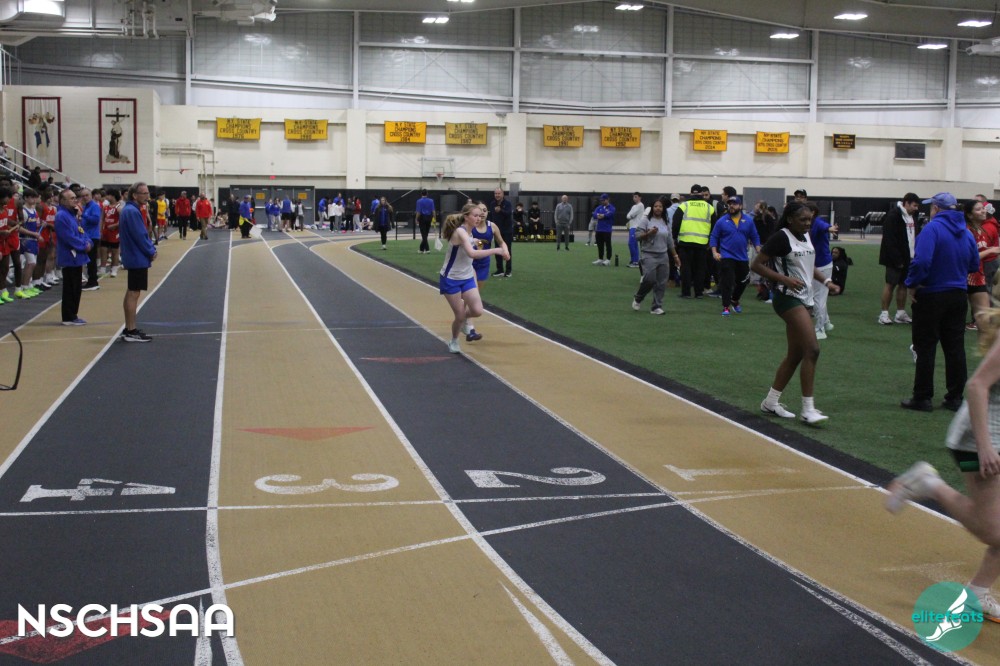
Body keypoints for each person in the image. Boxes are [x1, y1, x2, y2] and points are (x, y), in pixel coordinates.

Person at [885, 308, 1000, 622]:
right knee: (994, 532)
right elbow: (976, 387)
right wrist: (985, 447)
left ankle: (978, 593)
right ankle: (929, 484)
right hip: (977, 440)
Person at [752, 201, 840, 424]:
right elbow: (756, 265)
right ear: (790, 219)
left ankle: (770, 402)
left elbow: (808, 266)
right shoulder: (782, 237)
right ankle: (808, 409)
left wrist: (827, 282)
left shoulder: (805, 235)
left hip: (805, 299)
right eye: (803, 220)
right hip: (787, 298)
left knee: (796, 355)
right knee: (812, 349)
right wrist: (784, 279)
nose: (808, 223)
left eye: (810, 219)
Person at [901, 193, 980, 412]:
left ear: (936, 208)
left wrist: (912, 284)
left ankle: (922, 397)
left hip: (932, 294)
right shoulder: (966, 232)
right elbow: (974, 264)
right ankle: (955, 397)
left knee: (925, 346)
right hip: (958, 294)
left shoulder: (932, 229)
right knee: (955, 348)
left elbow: (922, 261)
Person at [439, 203, 509, 354]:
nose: (479, 218)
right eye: (475, 215)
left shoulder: (470, 233)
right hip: (451, 278)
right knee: (459, 315)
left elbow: (471, 245)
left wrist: (477, 242)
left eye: (480, 215)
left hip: (467, 277)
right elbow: (472, 254)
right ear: (466, 217)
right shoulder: (460, 232)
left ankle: (463, 321)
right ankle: (454, 340)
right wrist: (496, 250)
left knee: (477, 310)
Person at [117, 182, 156, 342]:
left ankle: (129, 327)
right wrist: (151, 250)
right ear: (134, 195)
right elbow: (140, 235)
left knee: (131, 292)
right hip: (136, 257)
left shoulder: (129, 210)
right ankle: (131, 330)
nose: (147, 196)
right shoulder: (132, 211)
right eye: (144, 193)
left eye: (147, 193)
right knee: (134, 293)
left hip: (133, 255)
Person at [709, 195, 760, 317]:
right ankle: (726, 306)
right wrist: (714, 252)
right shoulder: (722, 221)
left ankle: (735, 299)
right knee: (727, 281)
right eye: (730, 203)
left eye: (734, 203)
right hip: (726, 256)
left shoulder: (748, 220)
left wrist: (758, 250)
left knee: (744, 280)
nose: (731, 206)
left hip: (742, 257)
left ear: (740, 206)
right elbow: (714, 236)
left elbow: (754, 236)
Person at [466, 201, 509, 342]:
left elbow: (501, 241)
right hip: (470, 263)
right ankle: (470, 328)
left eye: (484, 210)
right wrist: (476, 243)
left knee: (475, 294)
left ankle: (463, 318)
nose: (482, 213)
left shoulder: (492, 226)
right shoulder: (470, 227)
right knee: (471, 296)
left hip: (484, 264)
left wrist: (505, 250)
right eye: (479, 211)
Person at [632, 197, 680, 316]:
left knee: (661, 283)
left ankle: (656, 307)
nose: (658, 208)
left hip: (663, 255)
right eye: (656, 206)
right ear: (652, 208)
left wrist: (675, 256)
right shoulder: (646, 221)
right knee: (649, 279)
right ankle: (638, 297)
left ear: (663, 209)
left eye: (660, 206)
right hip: (649, 254)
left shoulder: (665, 221)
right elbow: (637, 236)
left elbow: (669, 240)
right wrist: (649, 233)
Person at [878, 193, 921, 325]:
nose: (916, 208)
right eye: (914, 205)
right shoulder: (893, 216)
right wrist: (897, 259)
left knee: (904, 284)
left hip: (910, 257)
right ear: (906, 203)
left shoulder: (913, 216)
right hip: (895, 258)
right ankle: (884, 314)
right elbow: (889, 239)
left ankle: (900, 313)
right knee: (890, 284)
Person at [54, 188, 91, 325]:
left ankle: (72, 315)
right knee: (70, 287)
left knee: (76, 287)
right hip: (70, 256)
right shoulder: (61, 216)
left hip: (77, 257)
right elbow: (68, 237)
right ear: (63, 201)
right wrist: (83, 245)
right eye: (71, 198)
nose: (75, 200)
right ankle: (69, 316)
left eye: (75, 197)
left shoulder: (72, 215)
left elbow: (81, 231)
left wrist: (88, 242)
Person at [673, 183, 717, 298]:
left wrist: (674, 237)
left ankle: (686, 293)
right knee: (700, 269)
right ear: (702, 193)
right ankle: (698, 293)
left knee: (686, 268)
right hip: (702, 244)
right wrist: (710, 240)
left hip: (685, 242)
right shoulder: (709, 207)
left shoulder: (684, 205)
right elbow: (715, 226)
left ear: (690, 193)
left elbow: (676, 223)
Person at [966, 199, 1000, 333]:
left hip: (978, 275)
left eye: (983, 208)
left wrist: (989, 250)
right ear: (970, 215)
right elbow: (969, 258)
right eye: (978, 209)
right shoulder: (967, 231)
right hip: (966, 277)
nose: (983, 211)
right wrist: (990, 251)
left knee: (985, 318)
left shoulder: (982, 229)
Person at [807, 202, 839, 340]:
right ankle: (826, 322)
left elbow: (826, 227)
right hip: (815, 264)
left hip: (822, 266)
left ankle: (820, 329)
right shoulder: (808, 224)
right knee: (819, 296)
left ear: (812, 212)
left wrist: (831, 228)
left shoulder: (818, 223)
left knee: (818, 298)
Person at [488, 187, 513, 277]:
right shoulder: (492, 204)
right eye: (495, 193)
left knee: (507, 250)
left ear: (502, 194)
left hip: (507, 231)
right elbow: (491, 216)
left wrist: (501, 210)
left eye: (499, 193)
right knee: (497, 250)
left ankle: (508, 271)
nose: (497, 195)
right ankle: (500, 270)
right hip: (496, 231)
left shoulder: (507, 203)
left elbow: (509, 213)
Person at [80, 188, 102, 290]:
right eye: (83, 196)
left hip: (92, 236)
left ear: (91, 195)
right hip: (87, 236)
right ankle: (92, 280)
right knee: (89, 260)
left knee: (91, 260)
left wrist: (83, 215)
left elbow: (96, 220)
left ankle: (93, 282)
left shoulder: (94, 206)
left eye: (87, 195)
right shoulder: (86, 207)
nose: (85, 197)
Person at [100, 189, 122, 278]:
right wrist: (100, 230)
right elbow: (102, 219)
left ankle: (114, 269)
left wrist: (115, 225)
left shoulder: (119, 207)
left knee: (114, 252)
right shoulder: (105, 207)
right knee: (103, 250)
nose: (106, 197)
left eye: (108, 195)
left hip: (114, 232)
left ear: (113, 196)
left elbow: (123, 221)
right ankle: (102, 269)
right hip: (106, 231)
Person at [591, 194, 615, 266]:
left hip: (607, 229)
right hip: (599, 229)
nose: (602, 202)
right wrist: (601, 215)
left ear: (607, 200)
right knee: (599, 244)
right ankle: (600, 258)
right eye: (601, 200)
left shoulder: (611, 207)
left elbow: (609, 214)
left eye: (603, 200)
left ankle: (608, 259)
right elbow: (594, 215)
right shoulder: (599, 207)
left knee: (608, 245)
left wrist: (602, 215)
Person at [625, 192, 644, 268]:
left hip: (636, 227)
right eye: (633, 197)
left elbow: (632, 215)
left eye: (636, 197)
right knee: (633, 244)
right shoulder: (634, 206)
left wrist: (630, 216)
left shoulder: (640, 205)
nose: (634, 198)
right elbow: (628, 215)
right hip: (632, 227)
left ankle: (635, 261)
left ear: (640, 197)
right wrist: (630, 216)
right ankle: (634, 260)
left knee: (632, 243)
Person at [415, 189, 435, 253]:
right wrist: (434, 218)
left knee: (423, 234)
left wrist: (416, 219)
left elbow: (418, 212)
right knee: (426, 234)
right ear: (427, 193)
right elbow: (433, 211)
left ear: (421, 194)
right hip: (429, 218)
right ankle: (421, 249)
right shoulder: (431, 201)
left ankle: (427, 249)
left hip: (422, 218)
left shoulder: (419, 201)